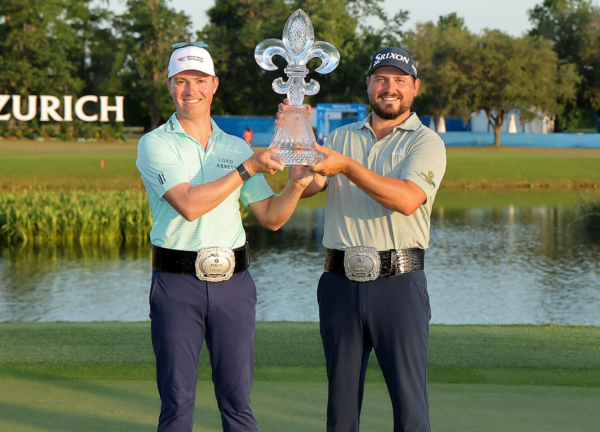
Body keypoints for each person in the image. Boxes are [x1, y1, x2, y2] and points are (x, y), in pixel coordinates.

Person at [136, 43, 314, 432]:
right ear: (169, 86)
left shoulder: (234, 146)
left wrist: (298, 185)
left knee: (237, 402)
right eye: (181, 81)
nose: (190, 90)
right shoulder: (154, 143)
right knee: (178, 403)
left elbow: (271, 218)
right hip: (176, 283)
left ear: (214, 84)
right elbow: (187, 204)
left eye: (199, 81)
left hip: (234, 285)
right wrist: (248, 167)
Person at [281, 47, 447, 432]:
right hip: (339, 283)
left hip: (398, 284)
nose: (389, 88)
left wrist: (348, 167)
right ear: (369, 85)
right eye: (381, 79)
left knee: (409, 407)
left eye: (399, 80)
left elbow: (406, 199)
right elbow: (304, 186)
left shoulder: (426, 142)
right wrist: (296, 135)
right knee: (340, 409)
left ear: (415, 87)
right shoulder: (340, 136)